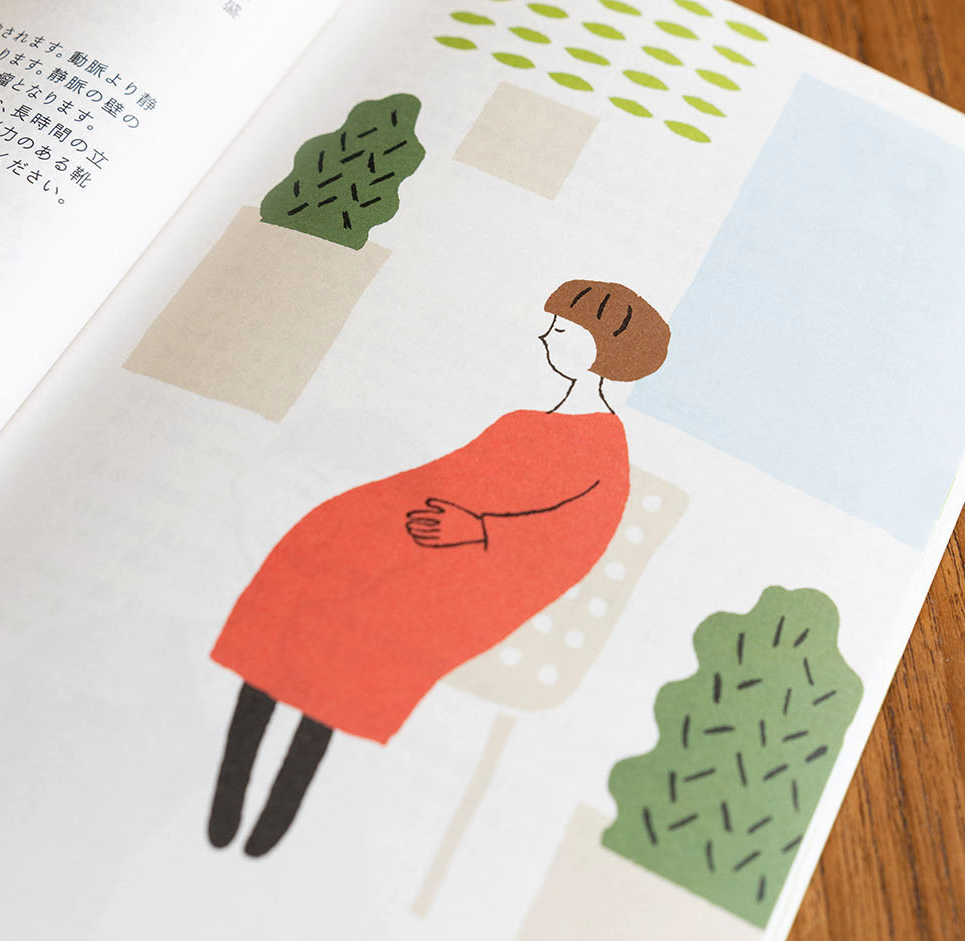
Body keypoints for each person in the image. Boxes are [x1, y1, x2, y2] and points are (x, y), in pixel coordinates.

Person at [206, 279, 671, 856]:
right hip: (418, 539)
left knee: (359, 633)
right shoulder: (522, 421)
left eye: (562, 329)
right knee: (307, 573)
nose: (547, 335)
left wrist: (478, 530)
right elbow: (447, 477)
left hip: (467, 573)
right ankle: (230, 789)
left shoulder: (604, 452)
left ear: (600, 349)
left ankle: (276, 814)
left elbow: (572, 543)